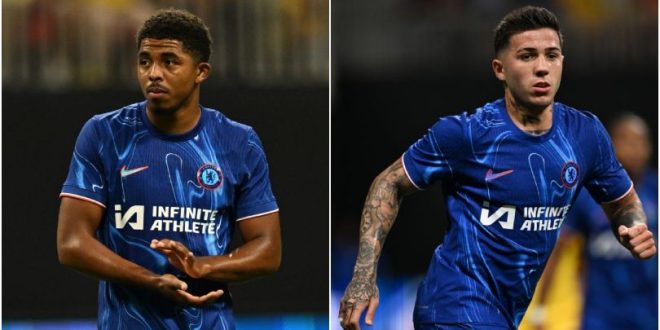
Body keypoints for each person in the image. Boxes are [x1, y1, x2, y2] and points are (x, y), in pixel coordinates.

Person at [338, 6, 656, 330]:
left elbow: (624, 202)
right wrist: (364, 276)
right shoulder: (467, 133)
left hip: (507, 314)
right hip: (455, 307)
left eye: (552, 55)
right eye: (527, 56)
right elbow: (389, 182)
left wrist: (634, 227)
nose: (542, 68)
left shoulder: (585, 135)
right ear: (500, 68)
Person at [57, 9, 281, 329]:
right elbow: (71, 244)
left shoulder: (239, 142)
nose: (153, 73)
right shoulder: (104, 134)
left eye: (169, 61)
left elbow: (268, 250)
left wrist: (199, 266)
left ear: (201, 71)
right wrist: (150, 280)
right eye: (145, 60)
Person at [526, 113, 657, 330]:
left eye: (641, 142)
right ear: (612, 146)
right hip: (601, 314)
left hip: (649, 312)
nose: (635, 149)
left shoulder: (656, 190)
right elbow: (557, 250)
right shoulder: (590, 195)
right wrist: (541, 306)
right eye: (627, 141)